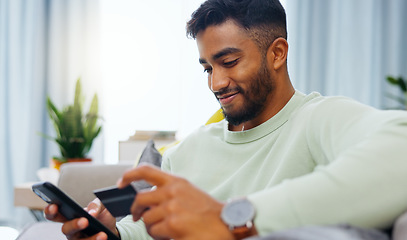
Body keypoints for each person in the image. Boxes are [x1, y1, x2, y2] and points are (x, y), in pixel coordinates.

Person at [45, 0, 407, 239]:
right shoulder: (185, 153)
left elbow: (400, 153)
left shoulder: (318, 119)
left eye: (229, 62)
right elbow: (154, 229)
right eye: (207, 68)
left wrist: (232, 218)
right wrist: (114, 233)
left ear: (277, 53)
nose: (216, 83)